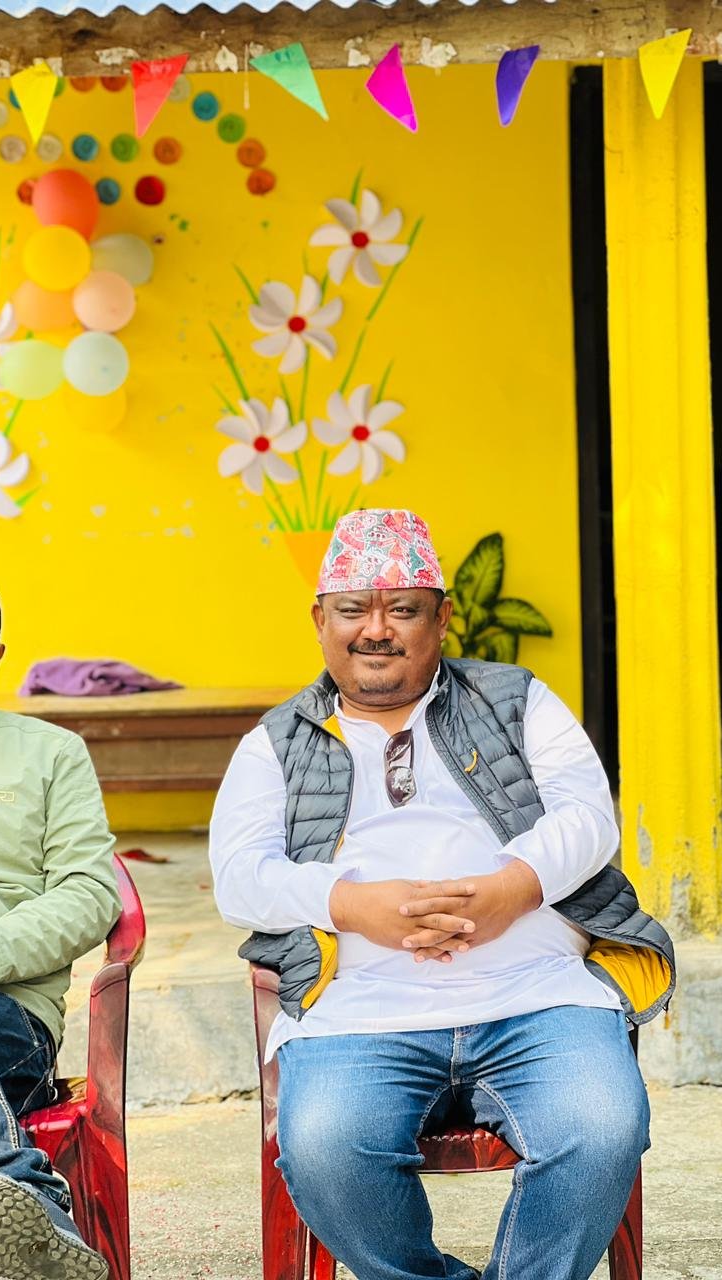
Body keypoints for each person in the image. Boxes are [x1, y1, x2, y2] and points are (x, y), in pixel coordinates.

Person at [211, 508, 675, 1280]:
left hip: (537, 994)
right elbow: (238, 877)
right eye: (354, 609)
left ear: (442, 617)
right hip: (360, 1007)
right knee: (324, 1149)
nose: (376, 630)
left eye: (403, 609)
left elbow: (590, 817)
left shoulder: (516, 700)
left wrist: (510, 890)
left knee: (602, 1126)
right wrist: (355, 905)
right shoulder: (275, 742)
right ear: (320, 618)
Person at [0, 574, 120, 1280]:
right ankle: (26, 1202)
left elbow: (91, 894)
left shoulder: (49, 754)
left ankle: (14, 1197)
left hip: (3, 1013)